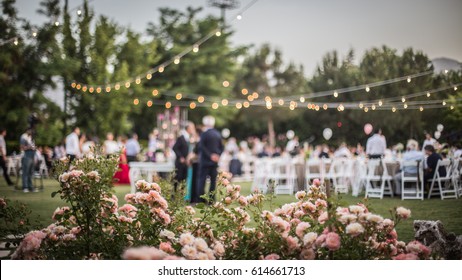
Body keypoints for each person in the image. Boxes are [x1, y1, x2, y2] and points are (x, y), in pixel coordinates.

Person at [195, 116, 223, 203]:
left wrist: (210, 155)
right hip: (214, 162)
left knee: (201, 181)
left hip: (205, 161)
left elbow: (201, 146)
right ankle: (211, 199)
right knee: (213, 182)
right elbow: (222, 147)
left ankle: (201, 199)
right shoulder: (218, 134)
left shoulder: (204, 134)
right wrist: (217, 155)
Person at [172, 122, 195, 193]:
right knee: (178, 178)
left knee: (184, 179)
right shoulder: (181, 137)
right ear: (188, 128)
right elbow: (175, 148)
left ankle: (181, 194)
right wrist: (180, 157)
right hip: (180, 162)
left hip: (186, 162)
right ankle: (174, 194)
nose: (193, 129)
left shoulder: (189, 137)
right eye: (192, 128)